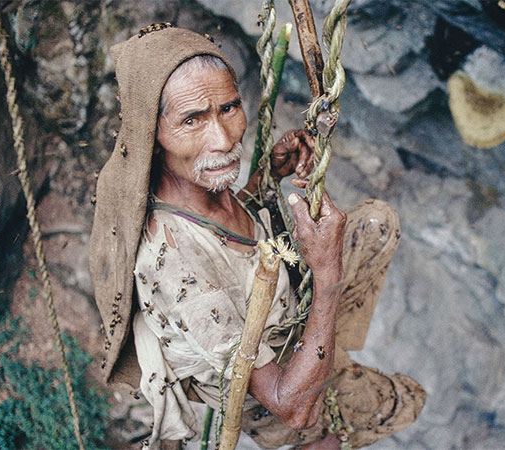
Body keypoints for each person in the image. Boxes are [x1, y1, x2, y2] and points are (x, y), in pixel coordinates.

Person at [89, 25, 424, 450]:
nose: (225, 138)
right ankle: (315, 398)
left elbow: (226, 232)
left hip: (274, 315)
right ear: (150, 134)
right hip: (267, 395)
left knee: (377, 222)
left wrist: (267, 177)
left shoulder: (192, 183)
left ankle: (324, 349)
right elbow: (291, 406)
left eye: (228, 108)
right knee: (399, 404)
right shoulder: (176, 268)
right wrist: (326, 274)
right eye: (192, 120)